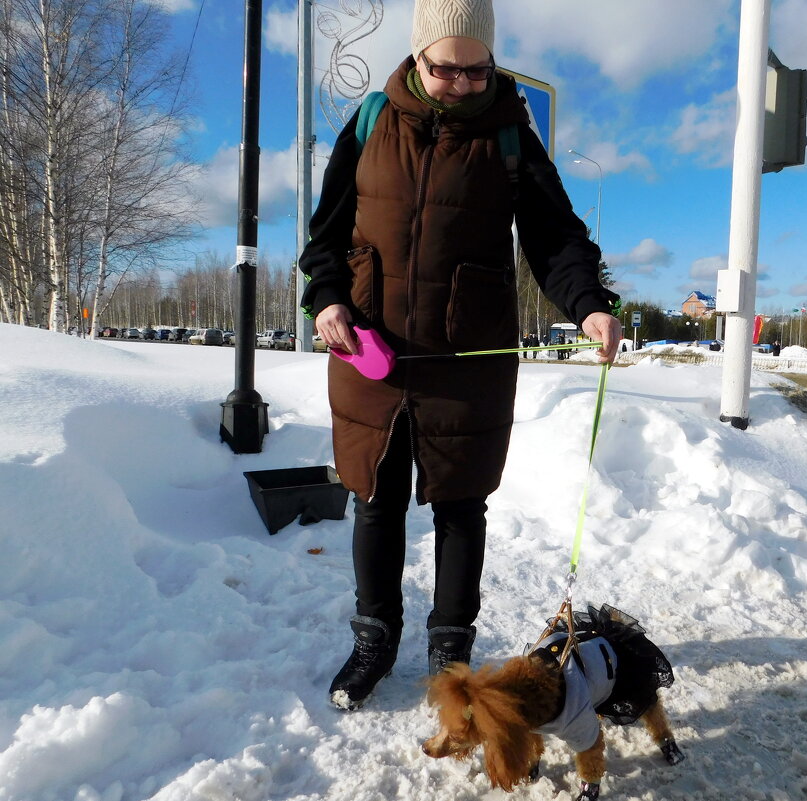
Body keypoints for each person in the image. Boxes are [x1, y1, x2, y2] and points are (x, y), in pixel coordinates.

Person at [298, 0, 621, 711]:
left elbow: (555, 236)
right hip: (371, 348)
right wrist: (326, 299)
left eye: (480, 70)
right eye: (449, 70)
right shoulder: (372, 119)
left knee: (460, 505)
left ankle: (452, 652)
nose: (466, 84)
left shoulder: (510, 134)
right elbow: (323, 235)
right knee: (374, 499)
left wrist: (589, 302)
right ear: (418, 59)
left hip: (468, 355)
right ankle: (374, 639)